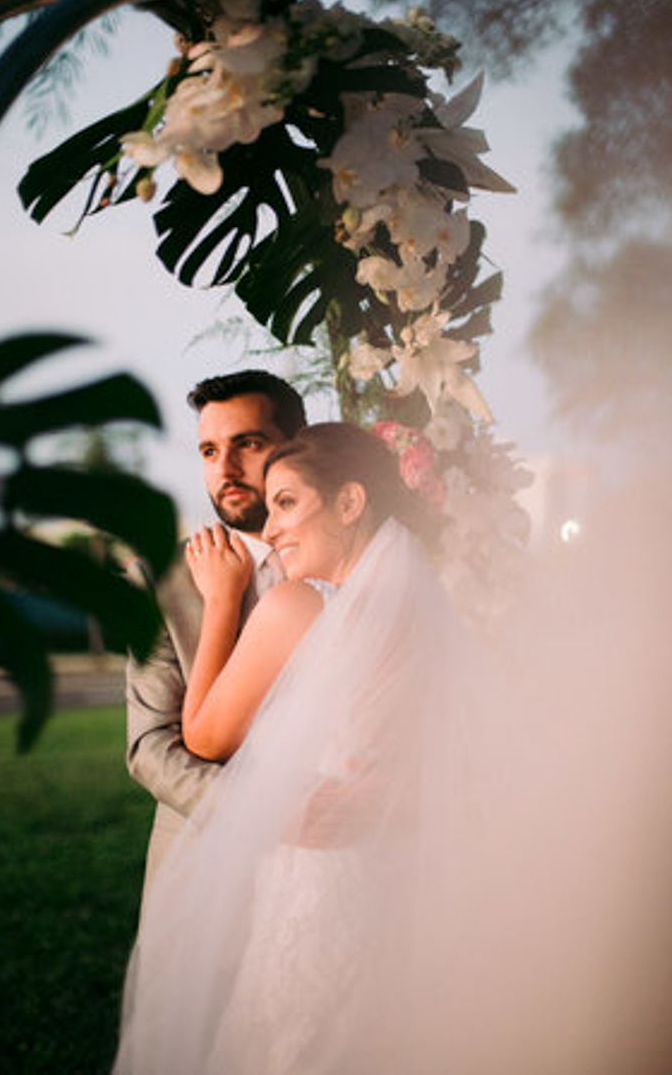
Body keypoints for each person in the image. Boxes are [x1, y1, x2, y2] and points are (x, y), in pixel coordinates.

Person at [114, 422, 495, 1074]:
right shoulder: (425, 616)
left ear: (349, 502)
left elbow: (202, 735)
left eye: (287, 502)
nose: (272, 527)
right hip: (401, 877)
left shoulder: (300, 605)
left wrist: (221, 599)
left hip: (322, 880)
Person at [125, 369, 306, 898]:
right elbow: (149, 746)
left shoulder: (352, 562)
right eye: (209, 451)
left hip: (341, 854)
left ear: (296, 446)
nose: (225, 469)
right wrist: (265, 814)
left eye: (248, 444)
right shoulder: (159, 581)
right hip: (199, 864)